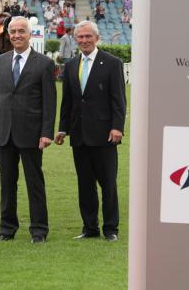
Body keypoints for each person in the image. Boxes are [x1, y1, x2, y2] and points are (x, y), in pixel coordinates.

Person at [0, 16, 56, 244]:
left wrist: (46, 133)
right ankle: (7, 229)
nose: (16, 35)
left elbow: (49, 102)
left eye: (21, 31)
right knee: (7, 184)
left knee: (34, 183)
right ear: (8, 34)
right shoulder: (1, 61)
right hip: (5, 132)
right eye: (13, 31)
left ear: (30, 34)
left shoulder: (44, 63)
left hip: (32, 134)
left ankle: (39, 230)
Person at [55, 20, 126, 242]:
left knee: (108, 185)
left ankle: (111, 228)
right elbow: (67, 101)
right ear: (75, 39)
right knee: (85, 184)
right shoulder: (71, 64)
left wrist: (117, 127)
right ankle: (90, 227)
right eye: (81, 37)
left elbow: (119, 100)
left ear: (96, 38)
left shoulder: (112, 63)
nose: (84, 40)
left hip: (105, 135)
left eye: (88, 37)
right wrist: (62, 129)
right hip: (79, 135)